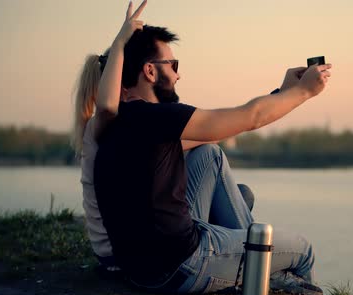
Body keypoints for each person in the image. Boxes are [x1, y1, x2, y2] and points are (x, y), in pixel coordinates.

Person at [94, 0, 331, 295]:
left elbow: (214, 135)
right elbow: (250, 117)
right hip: (182, 264)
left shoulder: (117, 123)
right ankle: (281, 292)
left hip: (142, 270)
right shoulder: (158, 119)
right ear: (150, 72)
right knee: (304, 249)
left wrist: (282, 92)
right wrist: (303, 92)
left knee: (209, 155)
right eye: (173, 65)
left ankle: (256, 265)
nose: (179, 75)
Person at [73, 52, 256, 272]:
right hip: (125, 252)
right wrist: (236, 121)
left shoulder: (110, 126)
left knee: (241, 193)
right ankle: (253, 261)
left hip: (116, 251)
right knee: (210, 154)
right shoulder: (120, 125)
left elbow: (193, 140)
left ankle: (238, 257)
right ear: (122, 87)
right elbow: (204, 139)